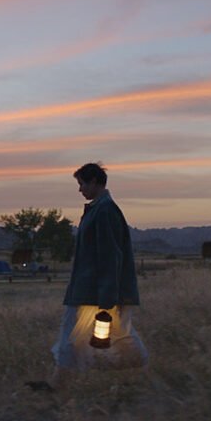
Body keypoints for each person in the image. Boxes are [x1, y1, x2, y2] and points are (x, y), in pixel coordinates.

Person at [46, 162, 148, 389]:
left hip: (93, 289)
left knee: (76, 333)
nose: (80, 189)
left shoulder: (105, 211)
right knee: (83, 333)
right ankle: (60, 379)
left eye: (81, 184)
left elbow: (110, 255)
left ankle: (59, 382)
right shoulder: (98, 209)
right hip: (87, 287)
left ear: (94, 182)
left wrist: (107, 297)